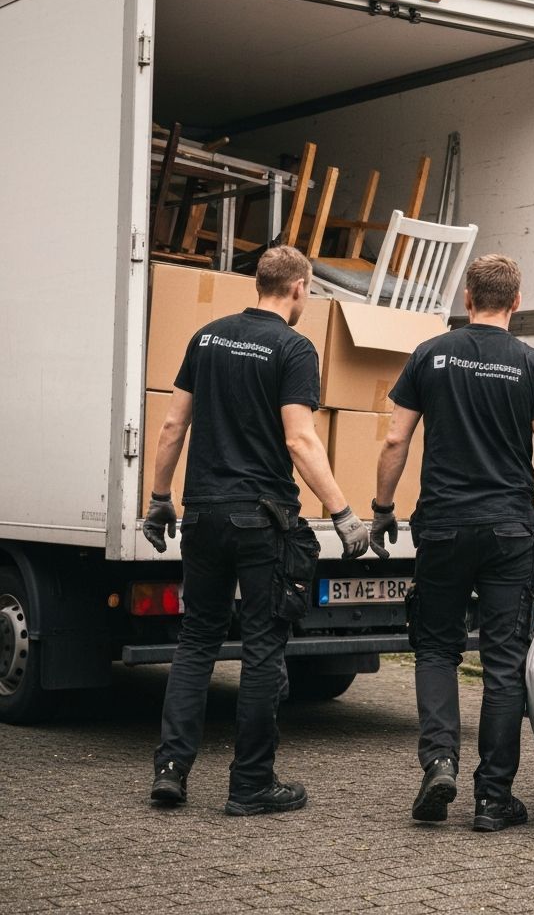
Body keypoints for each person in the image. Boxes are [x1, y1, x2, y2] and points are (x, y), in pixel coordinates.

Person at [143, 245, 370, 816]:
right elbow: (299, 439)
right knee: (264, 648)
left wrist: (159, 499)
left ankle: (171, 772)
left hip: (202, 514)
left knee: (196, 641)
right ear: (296, 288)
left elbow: (173, 424)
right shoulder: (294, 348)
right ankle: (250, 785)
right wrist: (342, 511)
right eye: (310, 291)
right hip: (262, 518)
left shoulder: (207, 337)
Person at [369, 254, 534, 833]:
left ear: (468, 298)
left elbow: (396, 441)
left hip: (440, 526)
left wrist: (382, 509)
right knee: (503, 663)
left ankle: (439, 761)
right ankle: (492, 799)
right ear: (517, 301)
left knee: (437, 649)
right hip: (510, 531)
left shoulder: (430, 354)